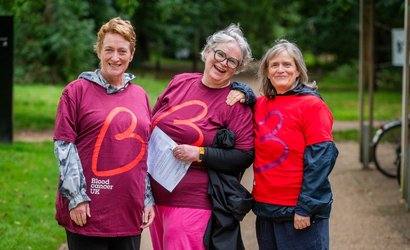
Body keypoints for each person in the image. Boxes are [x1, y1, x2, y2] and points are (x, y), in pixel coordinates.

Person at [148, 23, 255, 250]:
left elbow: (244, 155)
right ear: (208, 52)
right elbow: (150, 122)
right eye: (220, 54)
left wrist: (200, 153)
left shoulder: (235, 103)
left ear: (237, 68)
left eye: (232, 61)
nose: (223, 62)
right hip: (156, 198)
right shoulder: (180, 82)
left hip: (193, 202)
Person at [53, 17, 155, 250]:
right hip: (88, 213)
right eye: (109, 49)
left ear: (132, 54)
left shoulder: (140, 95)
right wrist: (76, 198)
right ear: (99, 50)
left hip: (129, 211)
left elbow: (145, 152)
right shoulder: (75, 91)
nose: (115, 57)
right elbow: (64, 146)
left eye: (122, 51)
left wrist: (147, 199)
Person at [252, 39, 339, 250]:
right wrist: (242, 91)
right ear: (267, 71)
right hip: (265, 208)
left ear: (298, 71)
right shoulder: (260, 104)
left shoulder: (312, 106)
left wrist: (306, 207)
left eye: (287, 64)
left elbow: (321, 158)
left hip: (298, 211)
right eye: (274, 65)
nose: (280, 69)